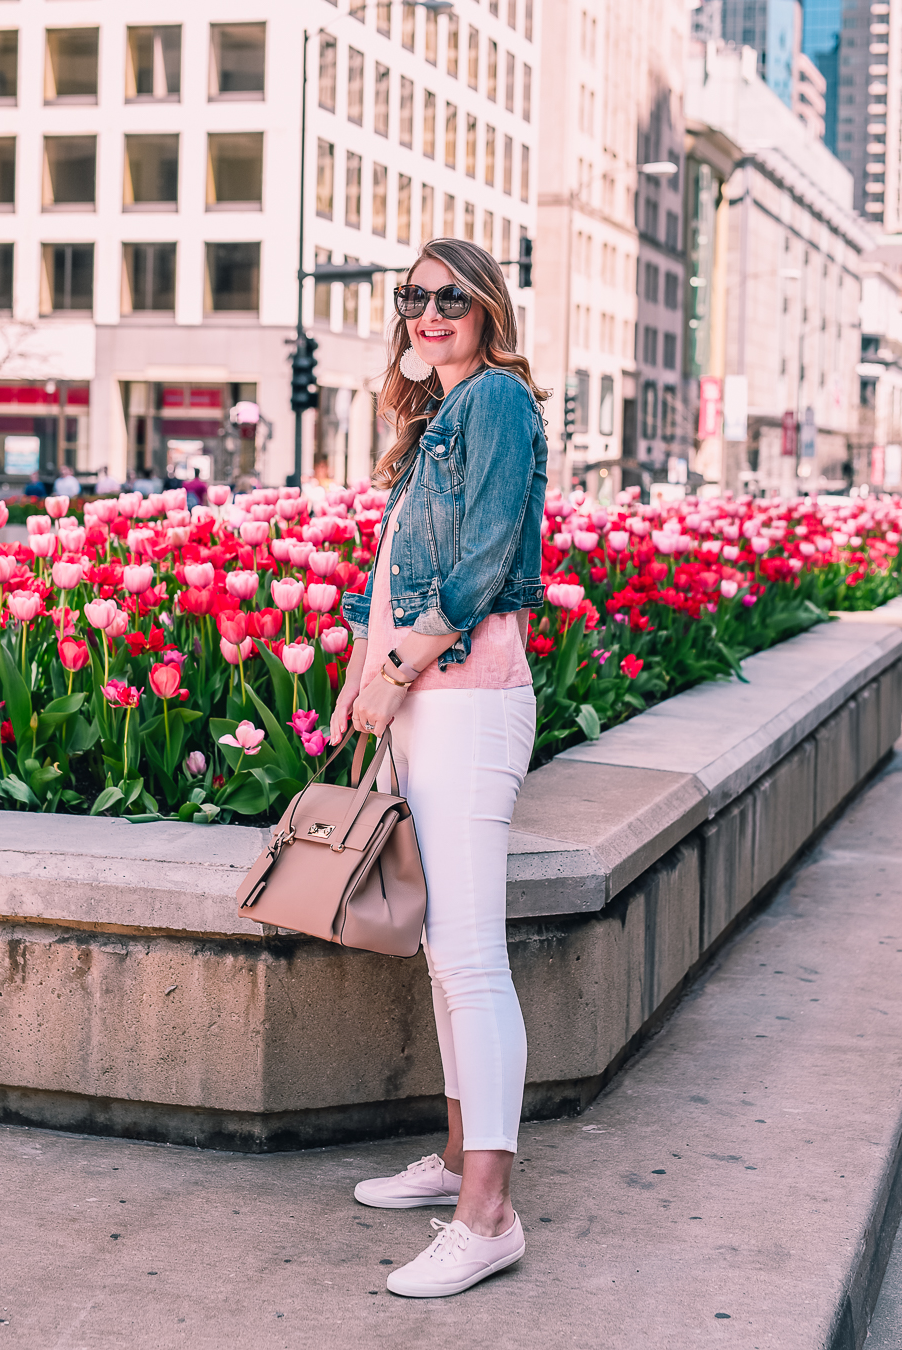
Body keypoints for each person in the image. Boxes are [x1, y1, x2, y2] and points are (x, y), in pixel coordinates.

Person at [334, 239, 549, 1299]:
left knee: (470, 959)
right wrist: (364, 672)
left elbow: (477, 566)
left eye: (449, 297)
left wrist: (400, 665)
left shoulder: (497, 404)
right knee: (442, 956)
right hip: (423, 700)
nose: (428, 313)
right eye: (413, 298)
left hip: (466, 701)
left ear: (486, 308)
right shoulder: (441, 417)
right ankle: (460, 1159)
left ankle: (489, 1212)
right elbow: (396, 570)